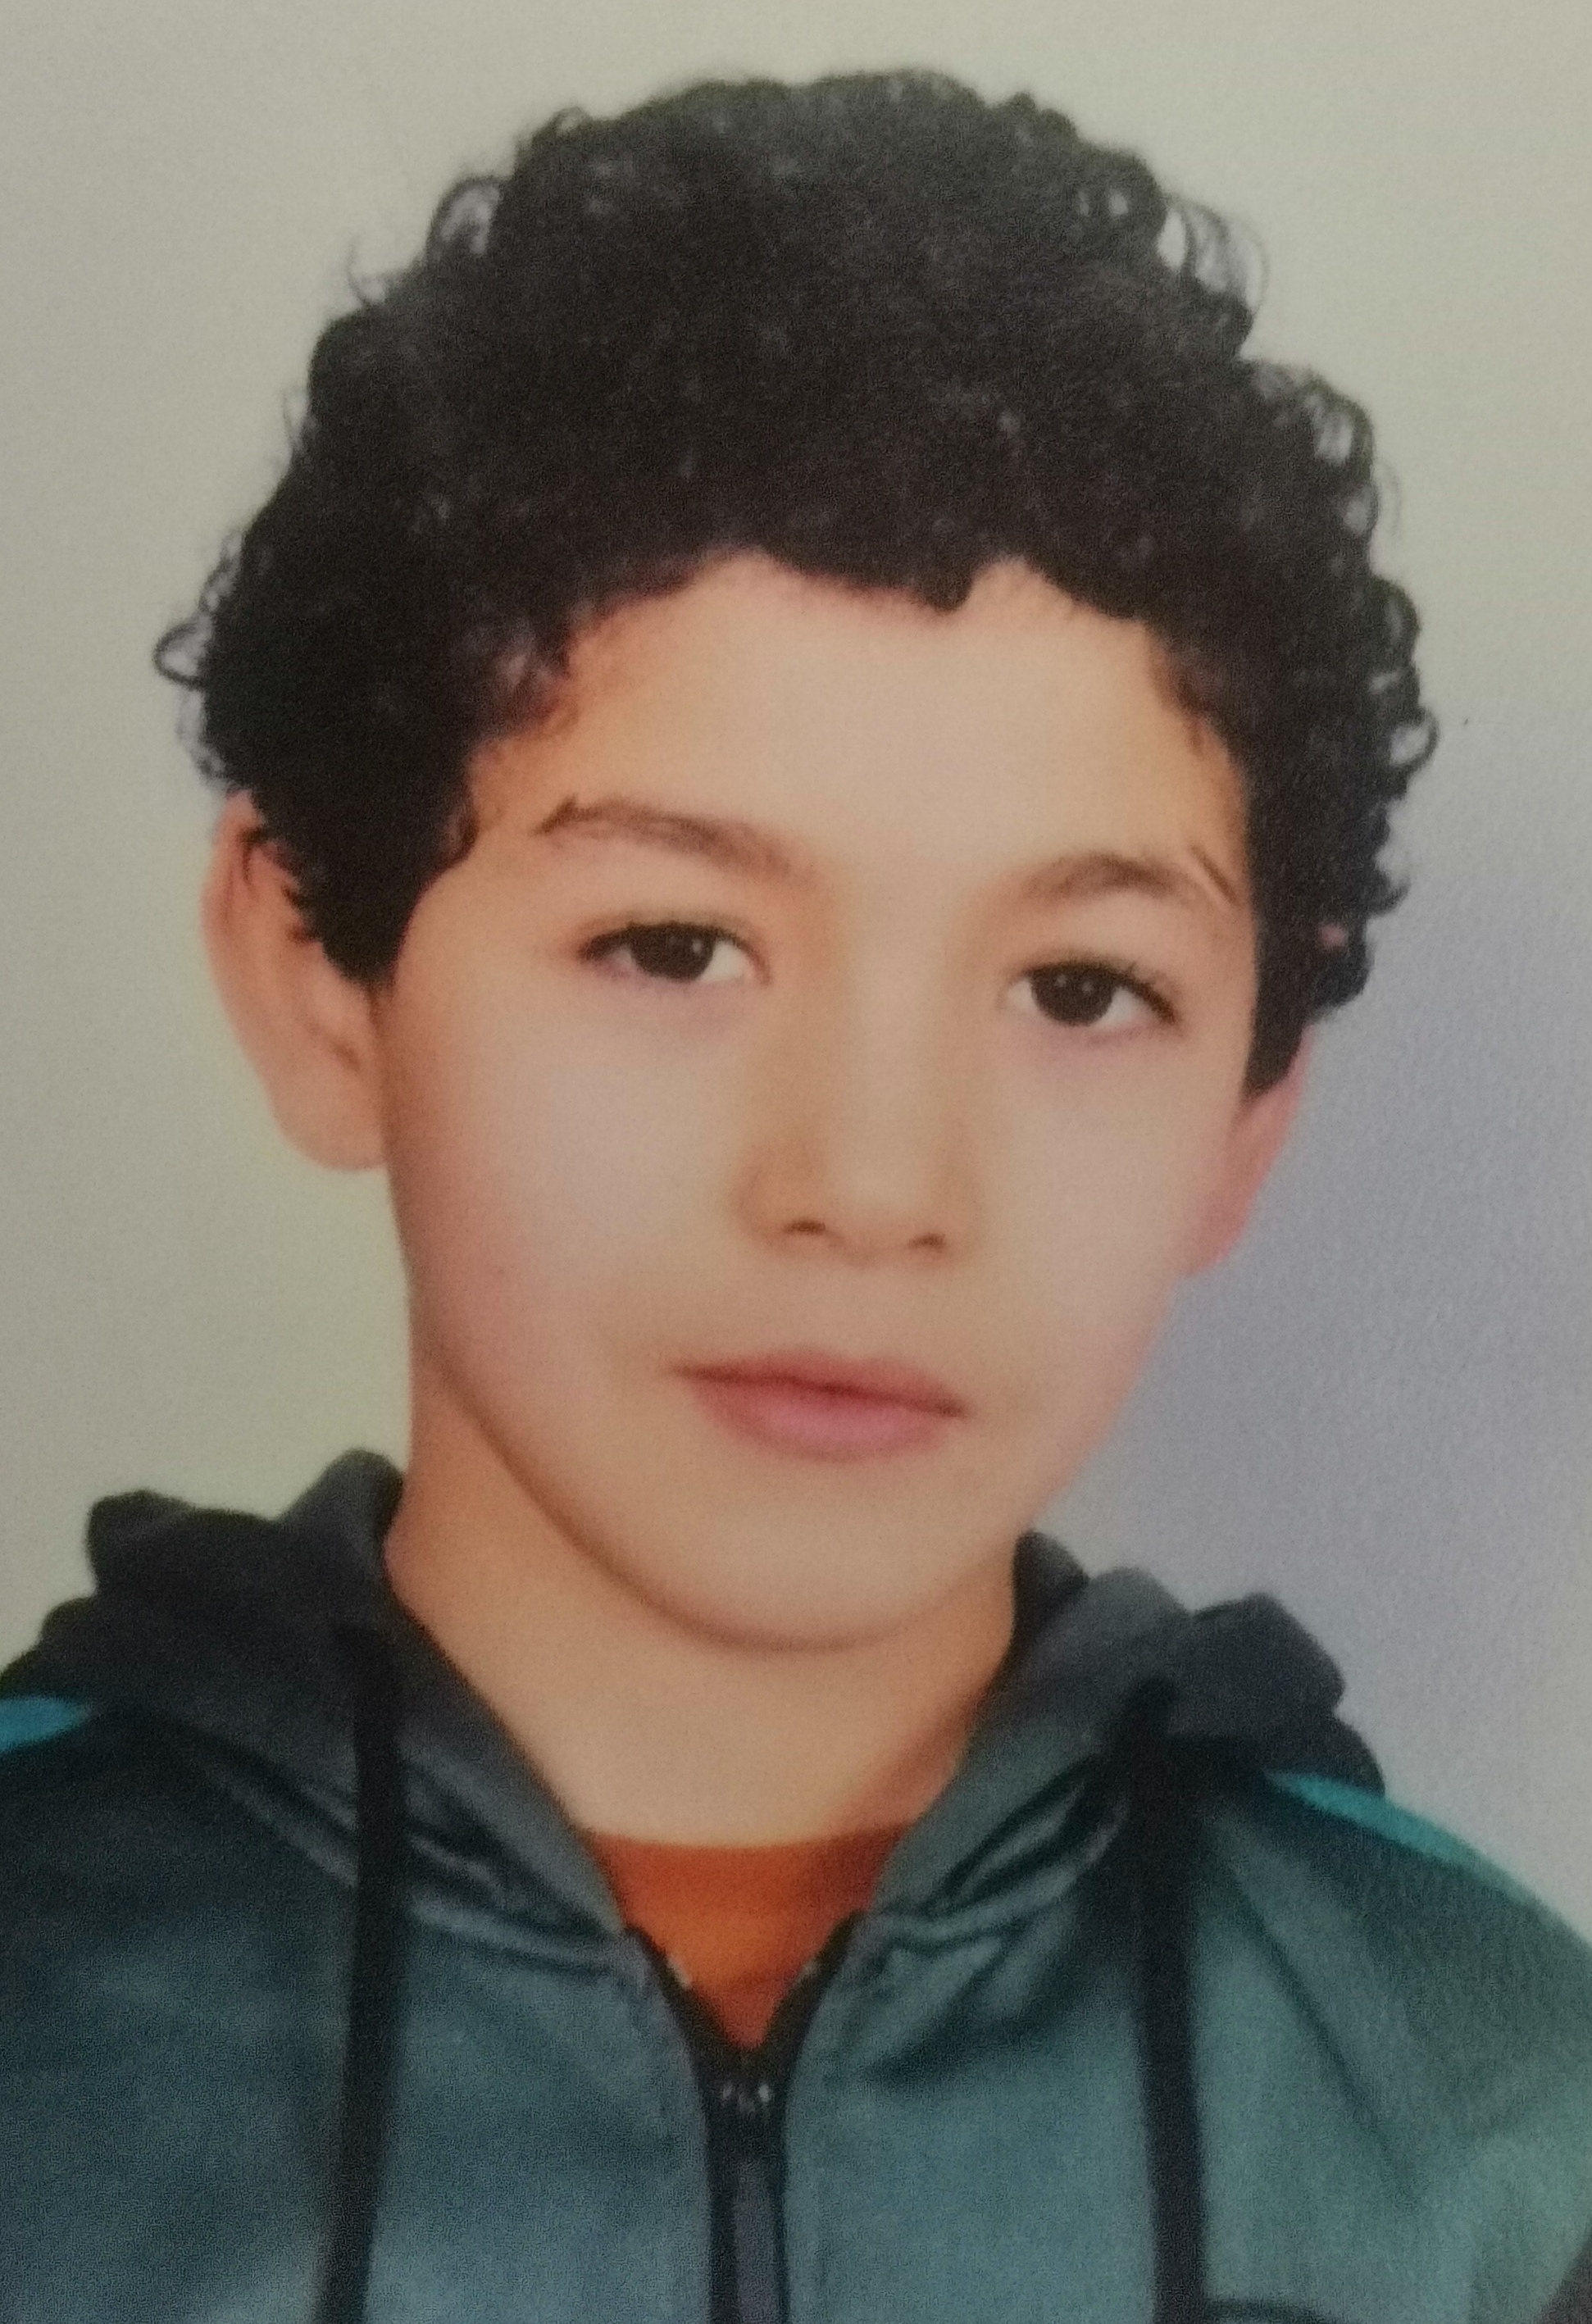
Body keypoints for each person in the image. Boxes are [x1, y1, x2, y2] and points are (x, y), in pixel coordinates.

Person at [2, 68, 1589, 2324]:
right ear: (319, 978)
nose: (870, 1183)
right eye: (674, 947)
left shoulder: (1496, 2124)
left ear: (1250, 1115)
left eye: (1081, 986)